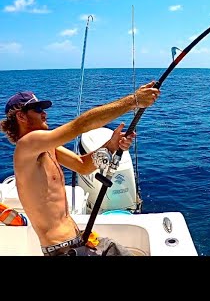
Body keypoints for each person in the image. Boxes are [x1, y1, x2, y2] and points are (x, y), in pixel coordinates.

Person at [0, 81, 161, 256]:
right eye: (38, 110)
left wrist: (111, 145)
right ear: (21, 117)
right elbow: (79, 126)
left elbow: (82, 166)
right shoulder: (27, 144)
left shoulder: (46, 146)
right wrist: (134, 101)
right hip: (63, 250)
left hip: (79, 239)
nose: (44, 114)